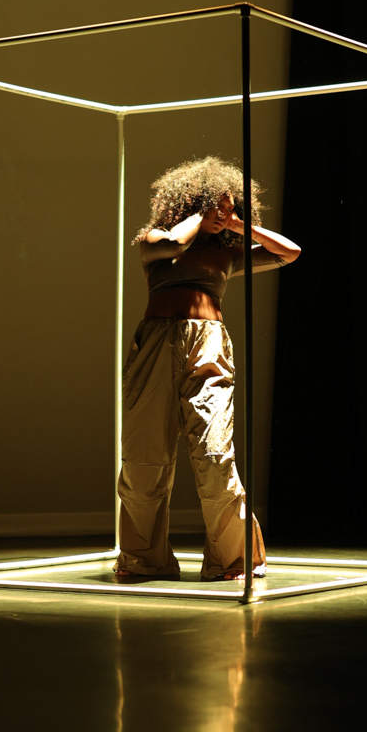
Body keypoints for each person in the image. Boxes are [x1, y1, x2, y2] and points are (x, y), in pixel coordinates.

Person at [115, 156, 301, 582]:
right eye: (218, 204)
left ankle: (233, 560)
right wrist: (203, 216)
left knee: (215, 454)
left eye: (231, 206)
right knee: (144, 459)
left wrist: (236, 226)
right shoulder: (155, 242)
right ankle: (144, 560)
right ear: (193, 204)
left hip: (209, 348)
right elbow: (176, 246)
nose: (225, 212)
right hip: (156, 345)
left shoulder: (228, 256)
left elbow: (289, 252)